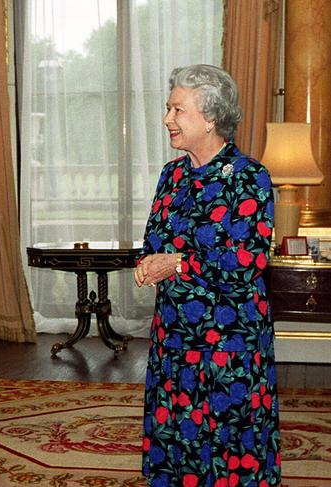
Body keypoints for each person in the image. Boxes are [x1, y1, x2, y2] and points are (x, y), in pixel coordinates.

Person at [134, 64, 281, 486]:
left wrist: (179, 263)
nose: (167, 119)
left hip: (229, 343)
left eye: (177, 110)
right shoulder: (172, 175)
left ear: (210, 117)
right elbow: (154, 242)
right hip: (174, 340)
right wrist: (150, 263)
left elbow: (246, 261)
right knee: (176, 439)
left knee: (228, 446)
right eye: (168, 109)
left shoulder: (249, 177)